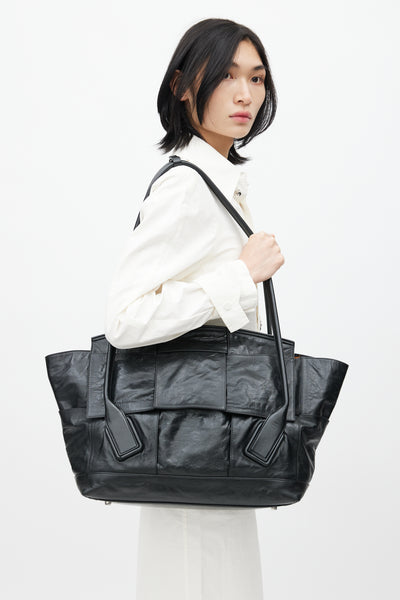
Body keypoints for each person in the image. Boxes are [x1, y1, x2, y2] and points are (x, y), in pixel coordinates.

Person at [104, 17, 284, 600]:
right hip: (191, 443)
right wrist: (240, 276)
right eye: (227, 75)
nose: (245, 94)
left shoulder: (218, 179)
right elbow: (125, 318)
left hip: (212, 444)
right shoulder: (186, 187)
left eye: (256, 78)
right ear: (183, 86)